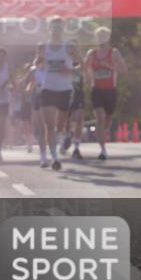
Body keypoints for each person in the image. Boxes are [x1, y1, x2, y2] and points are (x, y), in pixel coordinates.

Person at [38, 17, 82, 170]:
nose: (56, 30)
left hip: (64, 90)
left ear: (63, 29)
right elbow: (38, 63)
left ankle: (63, 138)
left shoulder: (69, 46)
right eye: (54, 27)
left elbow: (83, 65)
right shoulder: (43, 46)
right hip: (47, 89)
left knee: (59, 126)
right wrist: (39, 65)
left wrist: (70, 70)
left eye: (59, 27)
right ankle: (54, 158)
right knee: (49, 126)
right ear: (49, 29)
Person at [84, 26, 126, 161]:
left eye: (104, 36)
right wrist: (86, 76)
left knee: (107, 120)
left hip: (110, 90)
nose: (101, 39)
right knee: (100, 119)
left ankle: (103, 131)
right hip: (97, 90)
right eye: (99, 36)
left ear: (108, 38)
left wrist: (110, 66)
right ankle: (103, 150)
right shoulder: (92, 53)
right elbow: (84, 67)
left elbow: (124, 69)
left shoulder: (114, 53)